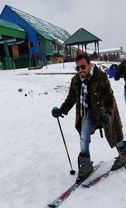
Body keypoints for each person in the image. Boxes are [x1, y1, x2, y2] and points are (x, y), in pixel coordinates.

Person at [52, 53, 126, 182]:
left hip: (103, 111)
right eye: (78, 68)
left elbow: (109, 96)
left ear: (89, 64)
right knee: (84, 137)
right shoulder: (75, 80)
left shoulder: (100, 76)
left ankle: (124, 153)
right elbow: (71, 98)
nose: (81, 70)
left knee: (114, 134)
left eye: (83, 67)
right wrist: (61, 110)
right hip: (86, 113)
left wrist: (108, 114)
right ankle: (86, 166)